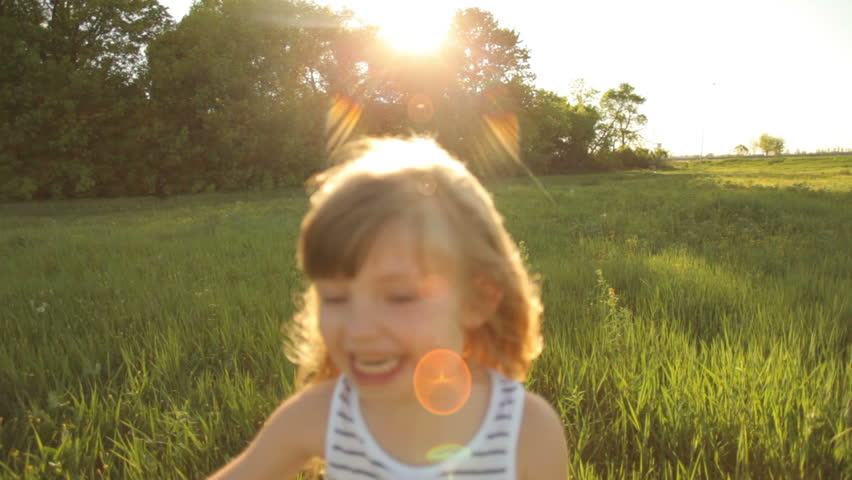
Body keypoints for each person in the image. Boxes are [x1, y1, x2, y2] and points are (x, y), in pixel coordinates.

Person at [209, 137, 568, 479]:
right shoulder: (318, 416)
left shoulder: (526, 431)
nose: (359, 329)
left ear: (477, 301)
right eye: (335, 298)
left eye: (400, 297)